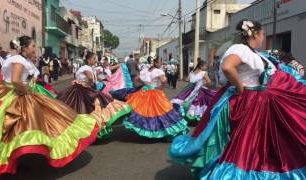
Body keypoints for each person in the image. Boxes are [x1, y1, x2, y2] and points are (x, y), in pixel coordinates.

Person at [169, 20, 306, 179]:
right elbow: (228, 67)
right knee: (245, 143)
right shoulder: (240, 49)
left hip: (254, 101)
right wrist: (241, 88)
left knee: (252, 143)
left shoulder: (253, 52)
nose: (263, 38)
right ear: (254, 34)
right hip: (248, 101)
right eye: (262, 34)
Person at [0, 36, 100, 180]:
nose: (35, 49)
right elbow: (15, 80)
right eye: (33, 46)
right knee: (22, 126)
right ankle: (17, 157)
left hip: (11, 92)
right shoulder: (18, 60)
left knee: (22, 127)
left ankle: (21, 158)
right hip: (17, 94)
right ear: (24, 48)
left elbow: (12, 78)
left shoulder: (19, 60)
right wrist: (26, 90)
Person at [57, 52, 131, 137]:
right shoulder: (86, 67)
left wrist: (98, 80)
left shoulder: (89, 68)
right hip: (83, 91)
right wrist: (90, 84)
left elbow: (94, 77)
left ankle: (86, 129)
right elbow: (91, 77)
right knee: (88, 109)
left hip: (82, 90)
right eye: (94, 59)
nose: (95, 61)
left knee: (85, 109)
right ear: (88, 60)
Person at [111, 57, 188, 138]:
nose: (161, 64)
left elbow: (137, 78)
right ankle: (160, 129)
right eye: (160, 62)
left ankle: (146, 129)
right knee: (160, 111)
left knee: (143, 110)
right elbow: (163, 81)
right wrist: (161, 89)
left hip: (144, 90)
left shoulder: (146, 70)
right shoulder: (158, 71)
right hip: (154, 92)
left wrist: (145, 83)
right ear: (156, 63)